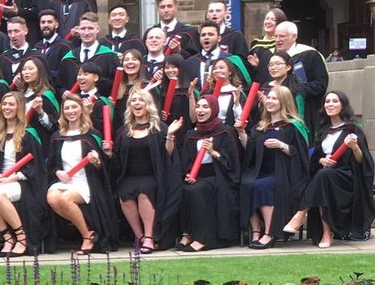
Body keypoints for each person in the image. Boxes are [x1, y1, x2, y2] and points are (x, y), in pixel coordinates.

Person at [283, 91, 375, 247]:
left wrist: (354, 148)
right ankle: (326, 232)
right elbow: (314, 159)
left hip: (347, 177)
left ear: (343, 105)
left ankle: (301, 214)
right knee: (323, 176)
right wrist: (321, 159)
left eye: (334, 101)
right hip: (325, 175)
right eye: (327, 102)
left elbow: (362, 161)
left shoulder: (353, 129)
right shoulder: (322, 130)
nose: (330, 104)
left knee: (323, 176)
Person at [106, 89, 179, 253]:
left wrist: (170, 135)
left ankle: (149, 236)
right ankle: (139, 236)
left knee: (144, 191)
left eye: (141, 100)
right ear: (129, 106)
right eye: (134, 100)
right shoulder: (124, 131)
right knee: (124, 193)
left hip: (152, 176)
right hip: (129, 176)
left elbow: (168, 154)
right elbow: (117, 160)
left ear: (148, 105)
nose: (137, 103)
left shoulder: (159, 128)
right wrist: (109, 154)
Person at [237, 85, 310, 249]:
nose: (269, 101)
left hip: (285, 173)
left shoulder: (293, 126)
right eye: (268, 98)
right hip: (262, 170)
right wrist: (242, 134)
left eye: (274, 98)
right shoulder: (261, 125)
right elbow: (251, 150)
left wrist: (282, 145)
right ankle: (256, 230)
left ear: (284, 101)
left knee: (263, 186)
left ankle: (269, 233)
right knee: (246, 183)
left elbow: (301, 154)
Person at [166, 95, 241, 252]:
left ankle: (203, 237)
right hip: (197, 176)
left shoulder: (225, 132)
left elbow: (233, 162)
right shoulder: (190, 135)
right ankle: (188, 234)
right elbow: (184, 161)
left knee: (197, 191)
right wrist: (187, 174)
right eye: (198, 106)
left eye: (205, 107)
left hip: (219, 175)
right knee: (183, 189)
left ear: (214, 109)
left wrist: (213, 152)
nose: (200, 110)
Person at [0, 91, 47, 257]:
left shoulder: (28, 134)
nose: (7, 107)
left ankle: (21, 237)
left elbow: (35, 166)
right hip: (3, 180)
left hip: (24, 181)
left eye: (11, 104)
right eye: (5, 104)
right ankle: (7, 237)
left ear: (19, 108)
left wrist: (11, 178)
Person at [46, 95, 116, 256]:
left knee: (65, 199)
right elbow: (51, 165)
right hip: (66, 180)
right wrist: (58, 172)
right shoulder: (58, 135)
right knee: (52, 198)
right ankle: (89, 230)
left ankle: (86, 237)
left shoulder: (91, 134)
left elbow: (102, 166)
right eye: (67, 108)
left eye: (74, 107)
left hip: (85, 181)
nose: (71, 111)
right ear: (62, 112)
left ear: (81, 109)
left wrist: (96, 160)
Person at [273, 21, 328, 139]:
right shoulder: (272, 58)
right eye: (276, 36)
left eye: (282, 36)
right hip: (278, 113)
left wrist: (296, 89)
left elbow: (320, 85)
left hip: (305, 112)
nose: (277, 40)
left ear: (294, 37)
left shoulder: (311, 55)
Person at [246, 7, 286, 83]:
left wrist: (261, 64)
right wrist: (255, 66)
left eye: (273, 20)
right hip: (259, 83)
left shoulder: (282, 44)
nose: (268, 22)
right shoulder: (256, 43)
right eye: (267, 19)